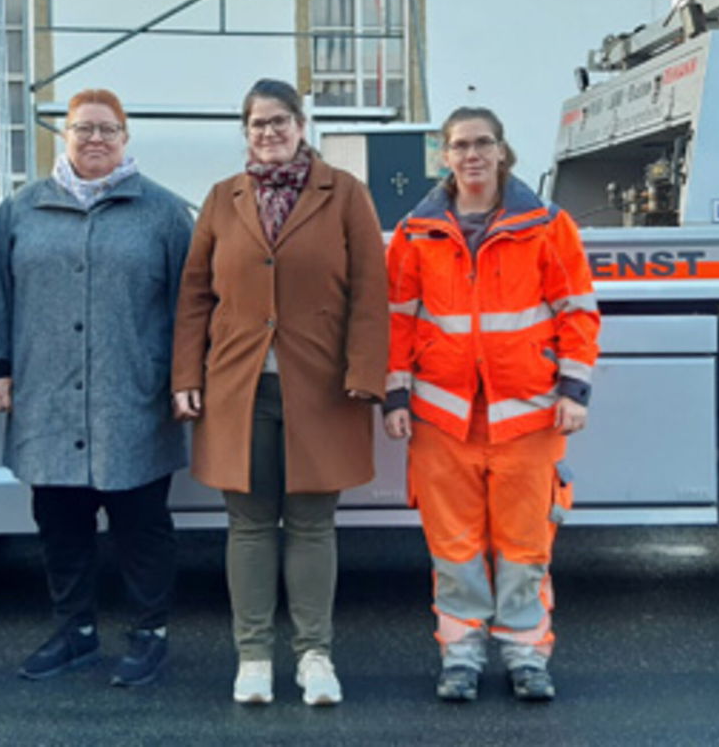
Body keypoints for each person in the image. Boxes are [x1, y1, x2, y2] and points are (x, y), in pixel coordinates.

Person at [171, 78, 387, 706]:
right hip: (239, 389)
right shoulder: (220, 199)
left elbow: (371, 293)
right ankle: (254, 656)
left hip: (323, 388)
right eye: (257, 123)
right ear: (246, 133)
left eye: (280, 121)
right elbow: (194, 298)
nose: (269, 133)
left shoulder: (345, 195)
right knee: (250, 525)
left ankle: (314, 656)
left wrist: (366, 374)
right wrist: (186, 376)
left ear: (301, 126)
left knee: (315, 524)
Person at [0, 88, 193, 689]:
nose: (95, 139)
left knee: (141, 524)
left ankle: (150, 635)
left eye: (108, 129)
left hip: (134, 397)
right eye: (83, 128)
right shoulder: (23, 210)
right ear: (63, 136)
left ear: (126, 139)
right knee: (60, 522)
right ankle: (76, 632)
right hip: (48, 397)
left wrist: (184, 379)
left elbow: (191, 305)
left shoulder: (165, 213)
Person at [384, 106, 600, 703]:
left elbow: (577, 312)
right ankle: (462, 657)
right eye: (459, 145)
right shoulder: (414, 234)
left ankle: (527, 657)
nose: (472, 155)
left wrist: (574, 390)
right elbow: (397, 322)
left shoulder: (548, 227)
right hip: (442, 415)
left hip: (527, 414)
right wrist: (395, 395)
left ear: (503, 151)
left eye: (482, 143)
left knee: (524, 545)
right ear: (445, 157)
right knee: (454, 547)